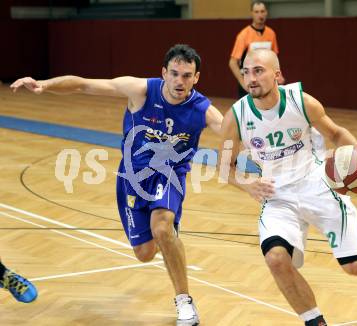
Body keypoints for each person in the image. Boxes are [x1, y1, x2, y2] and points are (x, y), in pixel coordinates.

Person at [11, 44, 223, 326]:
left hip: (168, 175)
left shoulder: (202, 109)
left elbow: (233, 129)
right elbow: (84, 86)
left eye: (187, 75)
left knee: (162, 227)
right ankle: (167, 236)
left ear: (196, 78)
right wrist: (44, 85)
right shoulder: (140, 91)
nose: (179, 81)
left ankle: (184, 301)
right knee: (144, 254)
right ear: (164, 73)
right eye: (175, 74)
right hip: (132, 179)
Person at [218, 49, 357, 326]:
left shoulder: (301, 101)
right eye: (246, 71)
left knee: (355, 267)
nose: (250, 78)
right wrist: (248, 185)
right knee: (276, 259)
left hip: (318, 185)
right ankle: (315, 321)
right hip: (277, 196)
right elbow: (225, 168)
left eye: (258, 71)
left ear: (276, 75)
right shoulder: (236, 117)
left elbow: (335, 133)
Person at [229, 0, 285, 98]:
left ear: (266, 12)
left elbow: (274, 57)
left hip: (266, 80)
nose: (260, 15)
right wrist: (242, 82)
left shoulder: (271, 33)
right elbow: (232, 62)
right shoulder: (244, 35)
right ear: (252, 13)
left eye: (262, 11)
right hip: (249, 80)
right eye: (257, 12)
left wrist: (279, 74)